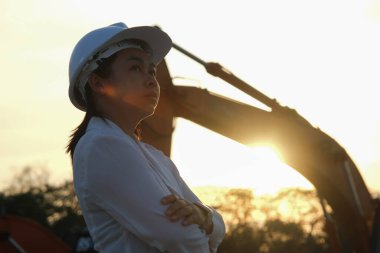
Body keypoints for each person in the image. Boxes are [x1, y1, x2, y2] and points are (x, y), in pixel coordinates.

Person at [66, 22, 226, 253]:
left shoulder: (155, 156)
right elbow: (178, 236)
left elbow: (218, 225)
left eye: (152, 70)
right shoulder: (100, 144)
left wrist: (205, 216)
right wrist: (206, 225)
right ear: (98, 83)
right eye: (135, 68)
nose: (152, 79)